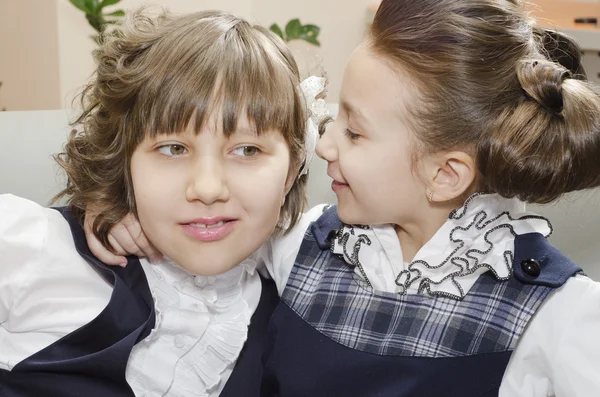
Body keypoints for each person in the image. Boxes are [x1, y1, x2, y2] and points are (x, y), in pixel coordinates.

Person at [89, 0, 600, 396]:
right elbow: (207, 229)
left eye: (354, 132)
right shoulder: (299, 246)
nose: (324, 144)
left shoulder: (564, 317)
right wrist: (121, 211)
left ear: (445, 174)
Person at [0, 8, 325, 397]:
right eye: (173, 148)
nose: (207, 188)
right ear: (126, 160)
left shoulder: (304, 294)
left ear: (293, 168)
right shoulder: (36, 250)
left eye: (247, 150)